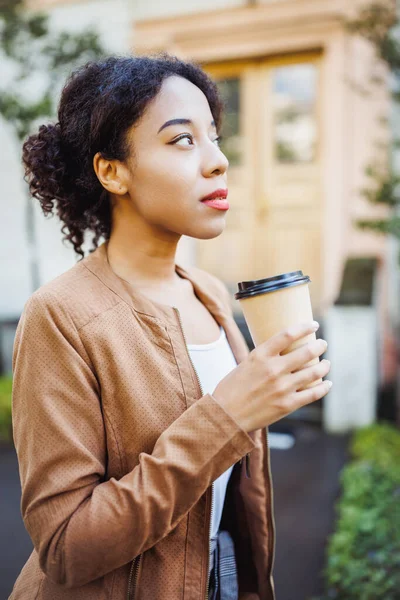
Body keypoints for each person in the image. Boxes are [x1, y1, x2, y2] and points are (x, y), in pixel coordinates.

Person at [10, 53, 332, 600]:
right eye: (183, 140)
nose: (217, 162)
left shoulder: (205, 291)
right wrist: (227, 416)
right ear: (113, 171)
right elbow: (65, 547)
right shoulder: (61, 316)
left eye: (213, 136)